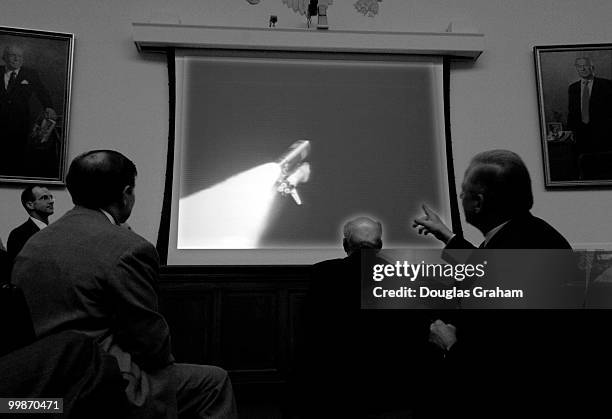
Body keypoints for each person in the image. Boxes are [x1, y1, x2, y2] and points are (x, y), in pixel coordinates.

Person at [12, 150, 237, 419]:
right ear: (126, 192)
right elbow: (151, 344)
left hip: (38, 392)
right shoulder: (129, 248)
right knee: (215, 382)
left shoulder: (33, 244)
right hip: (103, 384)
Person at [412, 149, 580, 417]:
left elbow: (505, 359)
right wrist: (446, 236)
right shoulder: (530, 233)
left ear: (477, 202)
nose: (460, 196)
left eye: (463, 191)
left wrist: (450, 345)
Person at [294, 216, 437, 418]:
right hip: (390, 393)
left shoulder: (323, 273)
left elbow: (309, 333)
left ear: (345, 245)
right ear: (379, 245)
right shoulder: (401, 276)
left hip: (333, 391)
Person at [0, 44, 57, 177]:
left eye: (19, 56)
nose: (16, 59)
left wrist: (49, 107)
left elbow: (42, 92)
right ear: (4, 58)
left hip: (20, 121)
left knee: (18, 152)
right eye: (12, 55)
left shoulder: (30, 74)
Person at [567, 57, 612, 178]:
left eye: (585, 65)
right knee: (584, 170)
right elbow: (572, 112)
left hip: (603, 136)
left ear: (592, 68)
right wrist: (571, 130)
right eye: (579, 66)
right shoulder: (573, 88)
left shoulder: (607, 85)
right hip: (581, 136)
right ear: (576, 69)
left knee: (603, 171)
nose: (582, 68)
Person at [7, 185, 55, 264]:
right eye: (44, 198)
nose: (51, 201)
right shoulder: (18, 235)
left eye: (51, 197)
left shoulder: (56, 230)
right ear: (30, 205)